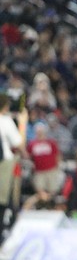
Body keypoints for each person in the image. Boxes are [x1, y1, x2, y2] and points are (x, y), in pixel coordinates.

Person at [0, 93, 28, 230]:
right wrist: (23, 123)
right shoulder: (5, 121)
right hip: (4, 167)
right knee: (6, 202)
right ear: (6, 106)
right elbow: (19, 144)